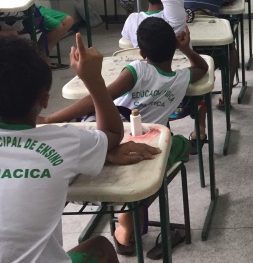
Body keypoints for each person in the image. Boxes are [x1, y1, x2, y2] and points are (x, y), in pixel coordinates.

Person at [40, 19, 208, 255]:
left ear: (142, 53)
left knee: (141, 174)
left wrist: (51, 119)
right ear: (173, 48)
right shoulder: (180, 78)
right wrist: (186, 49)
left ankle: (126, 227)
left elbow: (100, 97)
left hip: (108, 136)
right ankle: (127, 226)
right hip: (147, 143)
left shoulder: (137, 69)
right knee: (178, 146)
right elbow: (202, 68)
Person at [0, 33, 159, 263]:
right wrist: (93, 79)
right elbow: (113, 133)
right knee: (101, 247)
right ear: (44, 99)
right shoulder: (63, 141)